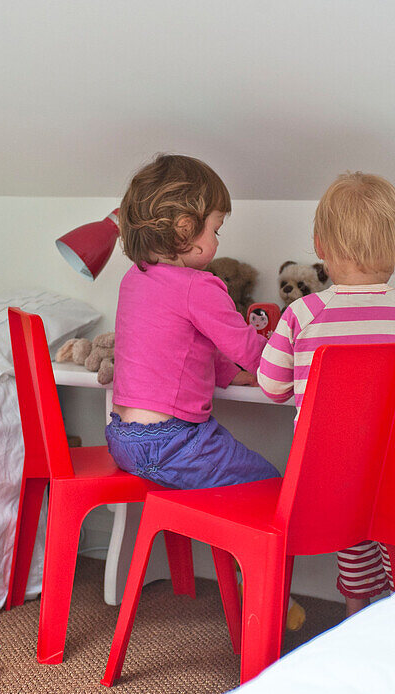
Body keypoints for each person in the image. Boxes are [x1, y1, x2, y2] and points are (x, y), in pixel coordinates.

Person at [105, 153, 306, 631]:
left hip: (125, 441)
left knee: (237, 480)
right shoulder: (202, 286)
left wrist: (228, 375)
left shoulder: (135, 279)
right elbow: (247, 349)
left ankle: (240, 571)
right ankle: (263, 594)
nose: (217, 240)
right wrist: (292, 362)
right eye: (215, 228)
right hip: (175, 441)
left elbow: (186, 346)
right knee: (270, 485)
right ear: (183, 229)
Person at [257, 172, 395, 618]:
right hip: (393, 468)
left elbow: (271, 387)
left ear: (320, 248)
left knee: (352, 540)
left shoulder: (302, 313)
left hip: (326, 469)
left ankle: (355, 613)